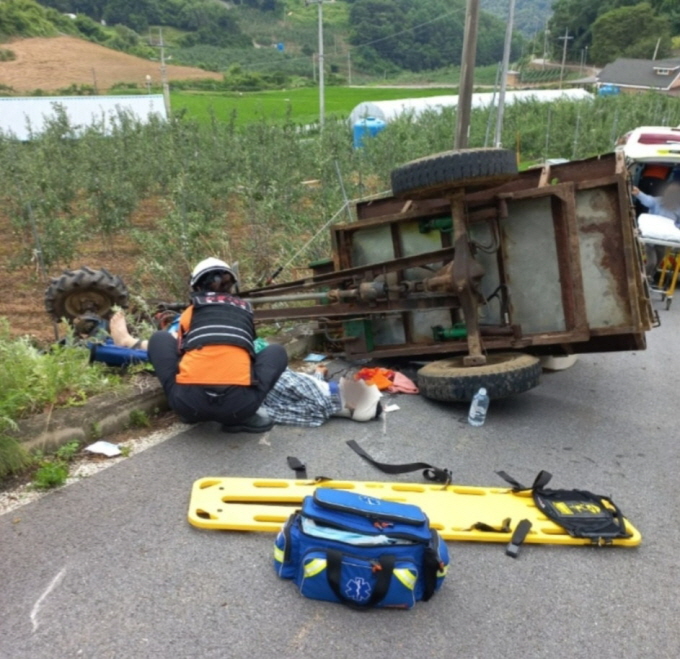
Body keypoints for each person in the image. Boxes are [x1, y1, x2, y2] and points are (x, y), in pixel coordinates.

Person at [144, 257, 288, 433]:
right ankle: (242, 419)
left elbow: (181, 351)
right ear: (231, 285)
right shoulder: (245, 311)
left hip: (188, 404)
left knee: (159, 338)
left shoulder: (190, 312)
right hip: (238, 408)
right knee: (276, 351)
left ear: (196, 287)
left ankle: (189, 413)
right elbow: (249, 351)